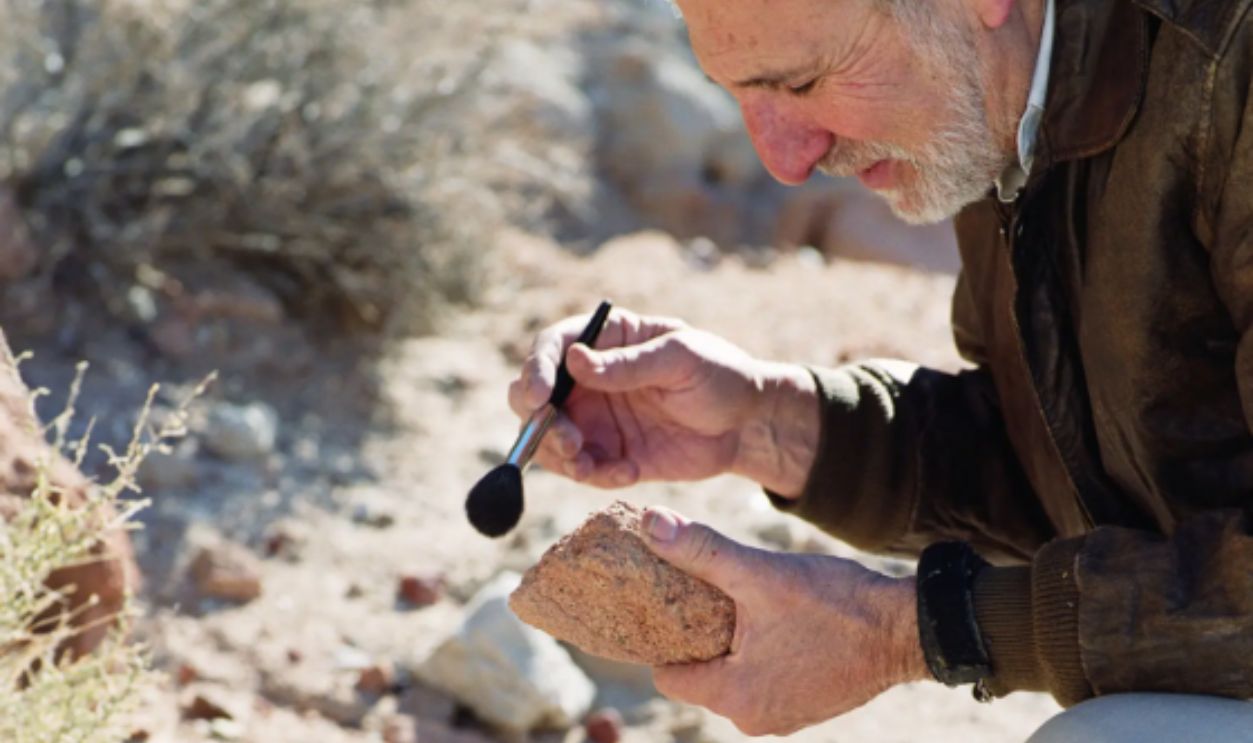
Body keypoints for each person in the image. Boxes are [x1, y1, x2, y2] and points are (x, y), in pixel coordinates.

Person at [507, 0, 1253, 738]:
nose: (786, 162)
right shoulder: (999, 95)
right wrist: (766, 423)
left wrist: (906, 630)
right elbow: (1066, 467)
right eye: (736, 95)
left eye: (800, 83)